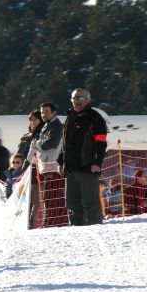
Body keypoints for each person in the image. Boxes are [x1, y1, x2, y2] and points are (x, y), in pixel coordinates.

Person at [58, 88, 108, 226]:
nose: (78, 101)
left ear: (88, 100)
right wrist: (61, 162)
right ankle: (75, 230)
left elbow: (101, 143)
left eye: (81, 98)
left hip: (87, 168)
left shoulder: (95, 118)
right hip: (70, 168)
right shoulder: (70, 117)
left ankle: (95, 228)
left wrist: (97, 162)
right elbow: (65, 143)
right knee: (72, 204)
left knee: (90, 203)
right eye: (75, 98)